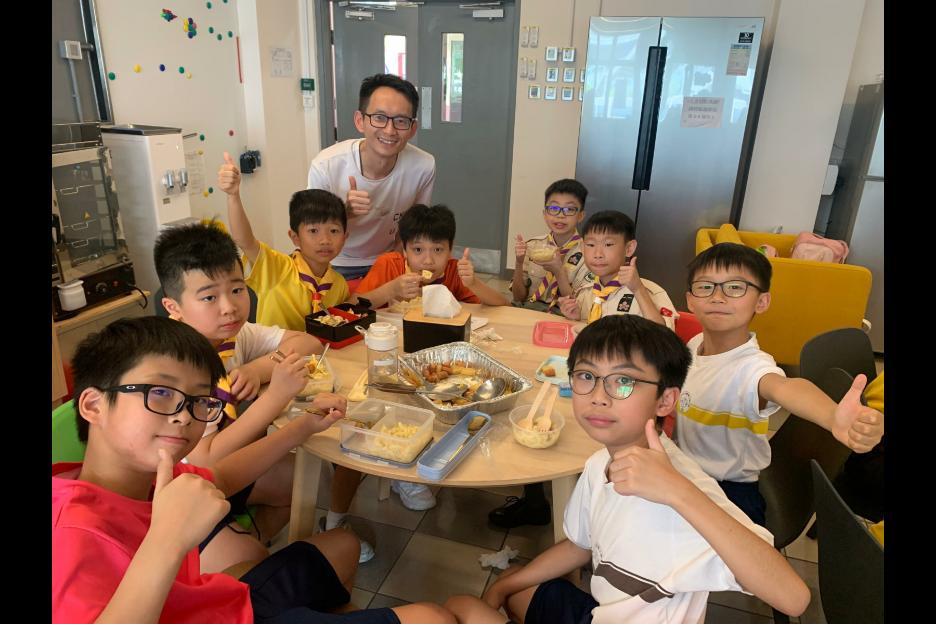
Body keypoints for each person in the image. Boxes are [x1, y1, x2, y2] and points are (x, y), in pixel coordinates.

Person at [54, 317, 455, 623]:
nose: (184, 416)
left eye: (198, 401)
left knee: (343, 544)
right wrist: (166, 539)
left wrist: (304, 427)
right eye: (160, 392)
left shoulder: (149, 476)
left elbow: (223, 478)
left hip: (219, 607)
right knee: (437, 616)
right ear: (93, 405)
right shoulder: (72, 532)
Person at [447, 315, 810, 623]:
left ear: (665, 400)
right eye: (586, 375)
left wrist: (679, 493)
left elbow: (793, 598)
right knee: (515, 582)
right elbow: (581, 545)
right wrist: (503, 586)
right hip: (602, 613)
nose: (599, 396)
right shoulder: (599, 463)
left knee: (459, 607)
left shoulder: (680, 491)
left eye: (624, 381)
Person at [154, 221, 345, 571]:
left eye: (237, 289)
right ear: (173, 306)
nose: (229, 307)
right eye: (209, 297)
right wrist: (274, 398)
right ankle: (231, 551)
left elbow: (309, 343)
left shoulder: (234, 336)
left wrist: (258, 369)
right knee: (249, 559)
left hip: (227, 468)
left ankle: (251, 539)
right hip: (182, 487)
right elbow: (204, 461)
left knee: (307, 480)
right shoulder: (175, 367)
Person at [677, 242, 885, 525]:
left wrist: (833, 416)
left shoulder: (753, 368)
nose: (718, 297)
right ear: (690, 300)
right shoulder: (696, 343)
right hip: (688, 472)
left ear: (762, 302)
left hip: (729, 492)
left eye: (735, 287)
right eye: (705, 287)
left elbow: (784, 388)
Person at [307, 73, 436, 280]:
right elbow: (311, 232)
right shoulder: (326, 166)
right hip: (336, 262)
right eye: (379, 118)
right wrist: (344, 212)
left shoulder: (423, 165)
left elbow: (414, 225)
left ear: (412, 129)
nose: (390, 130)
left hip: (389, 259)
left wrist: (394, 264)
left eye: (401, 121)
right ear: (360, 121)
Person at [220, 157, 351, 332]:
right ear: (295, 237)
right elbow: (244, 240)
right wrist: (233, 196)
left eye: (334, 231)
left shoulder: (339, 284)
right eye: (313, 231)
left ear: (345, 237)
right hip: (272, 349)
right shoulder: (277, 267)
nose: (325, 240)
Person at [356, 203, 509, 309]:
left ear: (450, 250)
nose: (428, 261)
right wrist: (391, 290)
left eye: (437, 250)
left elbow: (505, 306)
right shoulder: (389, 264)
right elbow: (351, 306)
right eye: (418, 250)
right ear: (404, 250)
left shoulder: (454, 271)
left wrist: (473, 283)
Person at [557, 211, 677, 330]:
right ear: (582, 248)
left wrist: (638, 290)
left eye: (608, 244)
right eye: (591, 245)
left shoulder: (650, 292)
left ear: (629, 248)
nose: (598, 254)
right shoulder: (585, 292)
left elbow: (663, 336)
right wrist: (576, 318)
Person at [511, 178, 590, 313]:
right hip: (528, 312)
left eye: (569, 209)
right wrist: (519, 263)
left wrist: (559, 272)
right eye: (554, 208)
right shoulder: (532, 246)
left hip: (562, 316)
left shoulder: (588, 254)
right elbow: (518, 297)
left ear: (580, 216)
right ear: (545, 214)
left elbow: (578, 310)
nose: (560, 215)